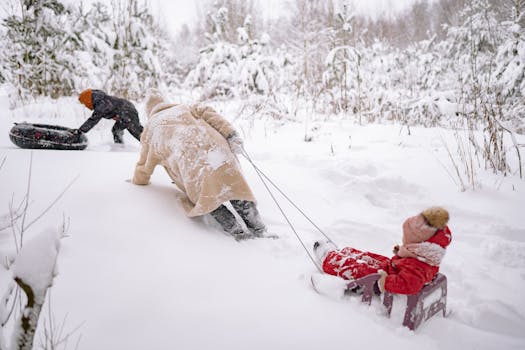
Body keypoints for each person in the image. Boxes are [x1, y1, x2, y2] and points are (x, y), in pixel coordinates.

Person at [132, 89, 267, 240]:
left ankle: (237, 232)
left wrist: (138, 180)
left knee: (209, 198)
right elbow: (211, 114)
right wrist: (231, 134)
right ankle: (259, 228)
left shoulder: (151, 129)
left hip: (191, 164)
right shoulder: (185, 107)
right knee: (235, 187)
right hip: (218, 151)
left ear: (149, 110)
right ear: (165, 101)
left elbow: (144, 166)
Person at [313, 207, 452, 295]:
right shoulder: (426, 253)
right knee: (368, 257)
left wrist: (385, 282)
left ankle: (329, 259)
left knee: (359, 268)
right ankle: (344, 252)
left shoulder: (417, 265)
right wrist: (403, 252)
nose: (404, 239)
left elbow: (410, 285)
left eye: (406, 238)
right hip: (394, 268)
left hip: (387, 278)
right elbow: (413, 266)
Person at [75, 89, 143, 143]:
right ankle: (120, 148)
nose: (85, 106)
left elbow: (93, 119)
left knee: (137, 132)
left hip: (127, 111)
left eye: (84, 103)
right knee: (116, 130)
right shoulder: (100, 100)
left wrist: (81, 131)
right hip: (125, 110)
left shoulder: (101, 104)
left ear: (88, 100)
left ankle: (150, 147)